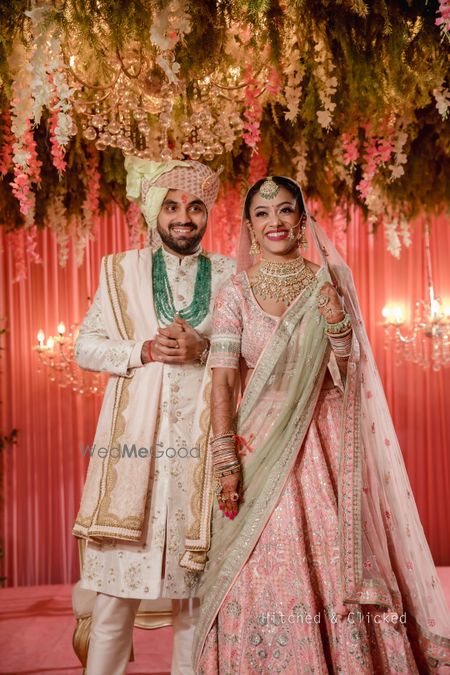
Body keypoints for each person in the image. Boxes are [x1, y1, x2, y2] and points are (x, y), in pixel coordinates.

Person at [183, 176, 450, 673]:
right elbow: (222, 384)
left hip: (326, 445)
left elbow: (350, 377)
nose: (274, 223)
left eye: (285, 211)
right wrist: (226, 460)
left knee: (334, 554)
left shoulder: (327, 283)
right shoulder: (233, 294)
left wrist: (338, 326)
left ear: (302, 221)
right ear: (248, 227)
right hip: (258, 445)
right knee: (258, 559)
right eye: (262, 215)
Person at [72, 158, 235, 675]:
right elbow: (85, 347)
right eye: (171, 206)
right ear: (153, 212)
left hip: (203, 448)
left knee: (196, 600)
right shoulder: (120, 271)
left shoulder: (233, 274)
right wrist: (141, 350)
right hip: (133, 449)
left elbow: (257, 351)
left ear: (207, 214)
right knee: (116, 598)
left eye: (194, 206)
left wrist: (206, 347)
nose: (183, 217)